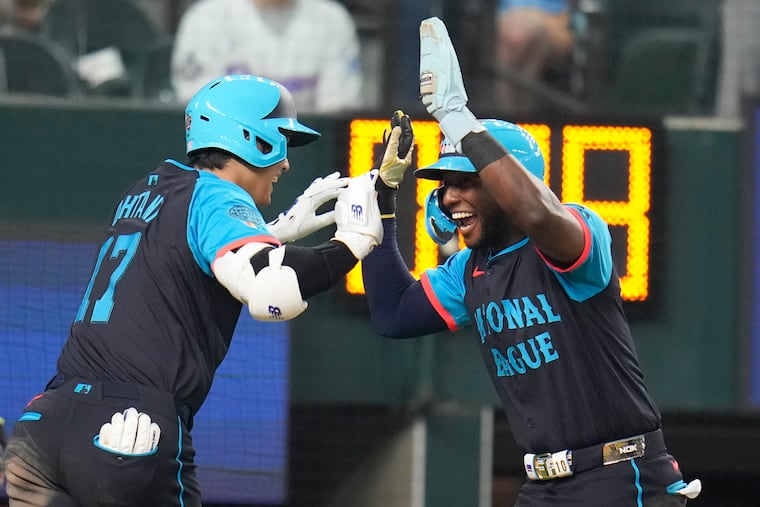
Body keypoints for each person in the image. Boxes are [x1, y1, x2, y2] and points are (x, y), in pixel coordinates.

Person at [2, 73, 389, 506]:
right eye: (281, 141)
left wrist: (273, 233)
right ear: (252, 139)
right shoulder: (218, 198)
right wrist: (353, 243)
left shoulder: (150, 187)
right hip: (129, 429)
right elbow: (271, 294)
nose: (286, 165)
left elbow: (187, 258)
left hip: (44, 424)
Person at [361, 17, 703, 505]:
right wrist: (383, 204)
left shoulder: (575, 232)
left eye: (468, 180)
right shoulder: (470, 269)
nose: (450, 195)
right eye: (446, 184)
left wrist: (459, 118)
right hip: (542, 486)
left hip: (618, 476)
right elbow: (393, 315)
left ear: (511, 180)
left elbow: (534, 213)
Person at [171, 0, 363, 113]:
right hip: (227, 154)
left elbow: (336, 113)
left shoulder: (331, 19)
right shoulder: (207, 17)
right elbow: (199, 109)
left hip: (305, 149)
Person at [493, 0, 574, 114]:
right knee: (513, 35)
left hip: (552, 19)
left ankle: (524, 113)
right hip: (509, 20)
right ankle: (507, 115)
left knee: (530, 31)